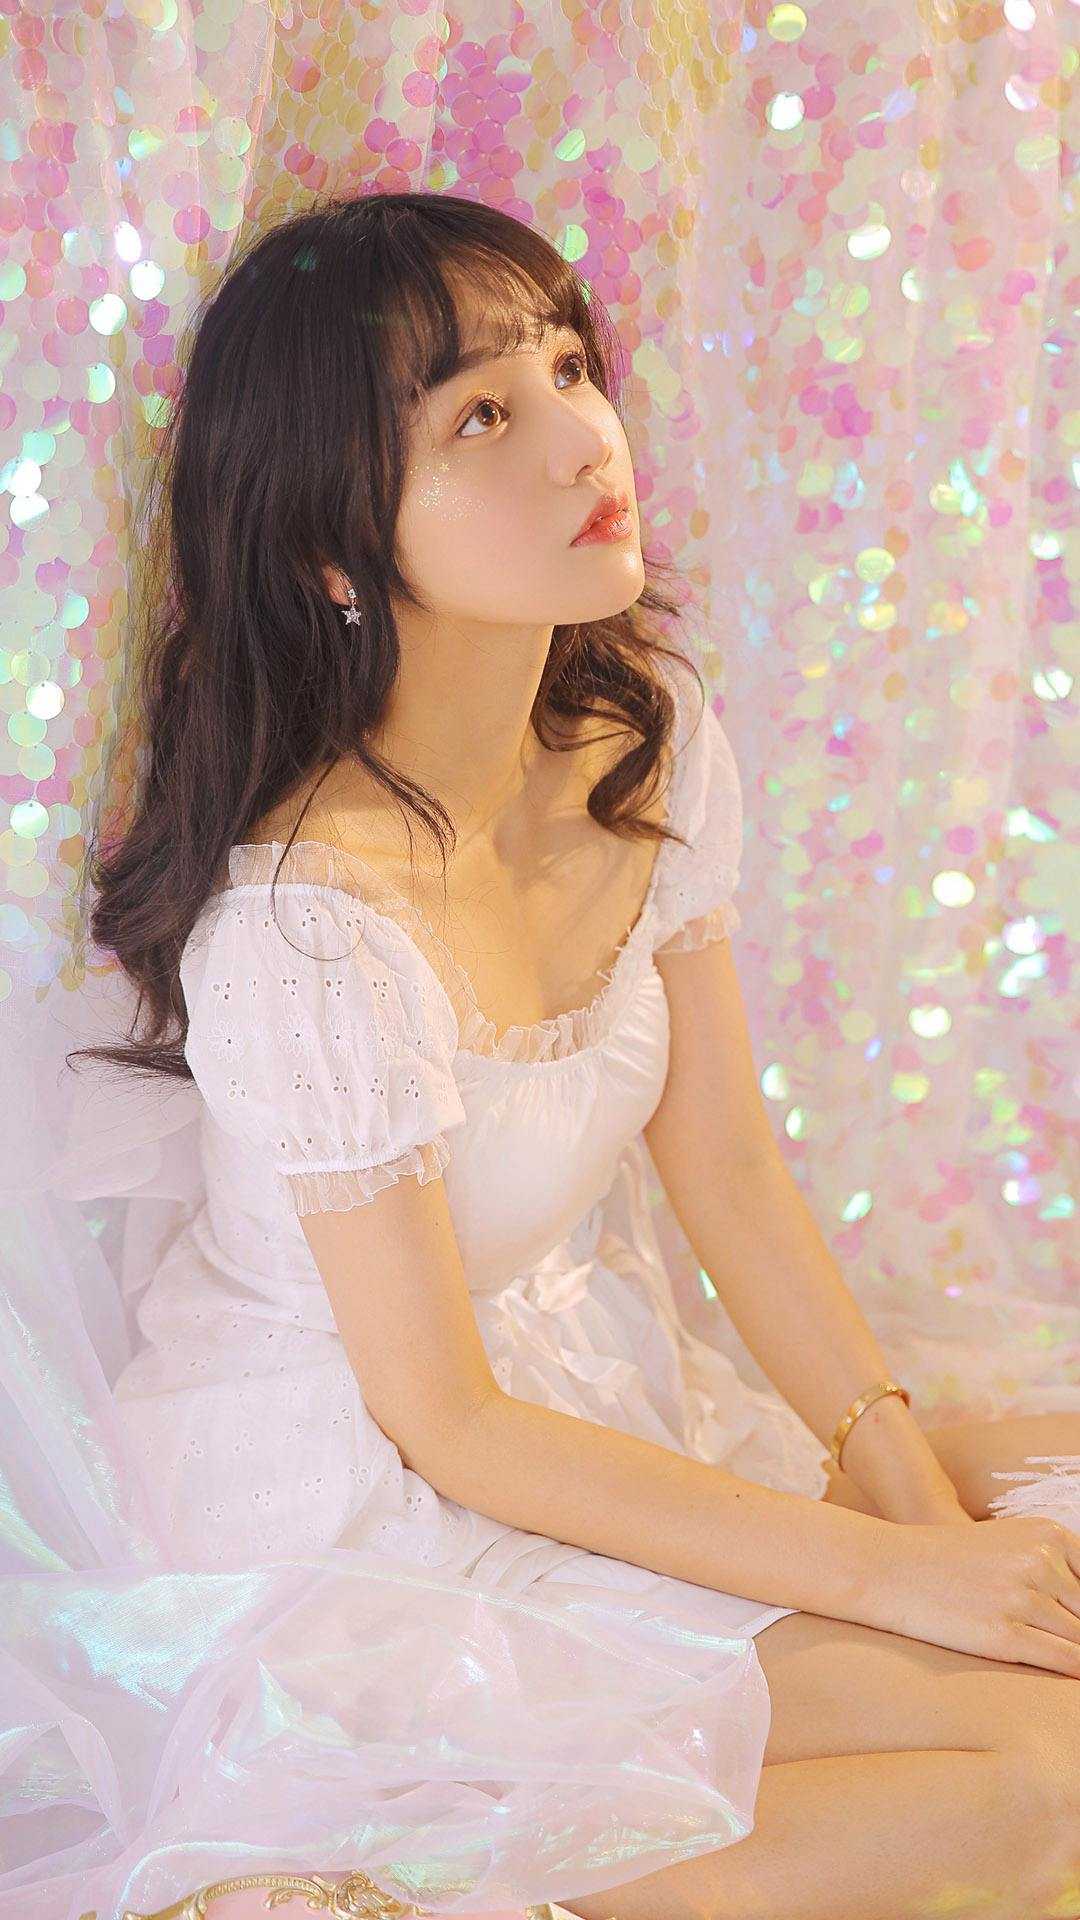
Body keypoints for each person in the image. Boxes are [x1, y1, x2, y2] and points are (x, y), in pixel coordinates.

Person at [1, 188, 1078, 1920]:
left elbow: (726, 1167)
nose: (585, 438)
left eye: (568, 367)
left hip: (570, 1395)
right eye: (479, 419)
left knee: (1047, 1595)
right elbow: (445, 1422)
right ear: (333, 549)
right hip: (353, 1510)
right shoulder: (305, 926)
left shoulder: (641, 740)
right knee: (1044, 1780)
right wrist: (894, 1582)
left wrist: (917, 1518)